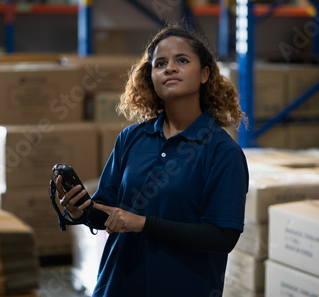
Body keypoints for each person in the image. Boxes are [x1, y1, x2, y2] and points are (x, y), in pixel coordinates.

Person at [56, 24, 249, 297]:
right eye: (160, 64)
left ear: (205, 74)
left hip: (183, 286)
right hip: (118, 283)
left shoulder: (222, 152)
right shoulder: (131, 138)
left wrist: (143, 223)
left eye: (181, 60)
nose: (169, 68)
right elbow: (108, 211)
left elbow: (222, 237)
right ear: (152, 78)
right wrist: (81, 212)